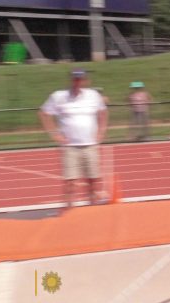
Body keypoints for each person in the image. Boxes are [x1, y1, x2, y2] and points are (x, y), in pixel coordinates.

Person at [38, 69, 108, 210]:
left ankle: (93, 209)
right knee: (70, 182)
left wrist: (102, 131)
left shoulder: (93, 95)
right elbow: (44, 113)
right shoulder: (59, 96)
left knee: (93, 180)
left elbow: (103, 111)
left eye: (81, 79)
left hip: (90, 145)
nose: (78, 82)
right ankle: (69, 211)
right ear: (71, 80)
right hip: (70, 147)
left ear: (86, 81)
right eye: (75, 79)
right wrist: (54, 133)